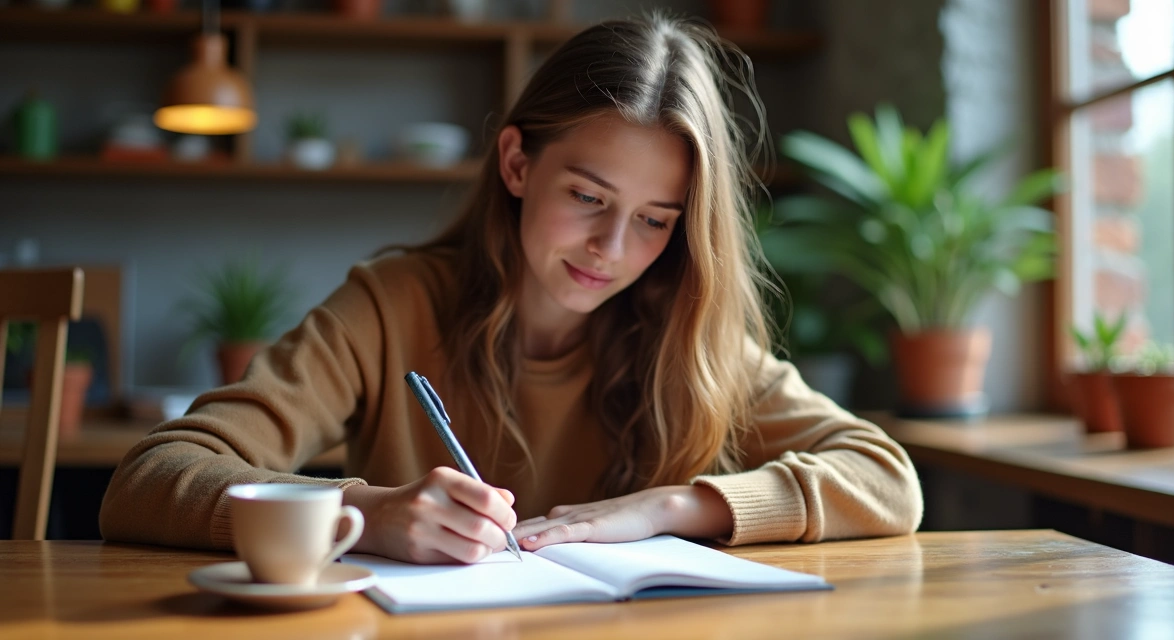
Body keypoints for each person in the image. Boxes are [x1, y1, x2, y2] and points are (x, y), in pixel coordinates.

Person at [100, 13, 922, 565]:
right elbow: (152, 477)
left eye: (656, 219)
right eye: (589, 199)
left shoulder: (684, 329)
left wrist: (672, 508)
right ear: (518, 164)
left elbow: (888, 479)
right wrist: (367, 512)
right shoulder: (393, 306)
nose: (613, 247)